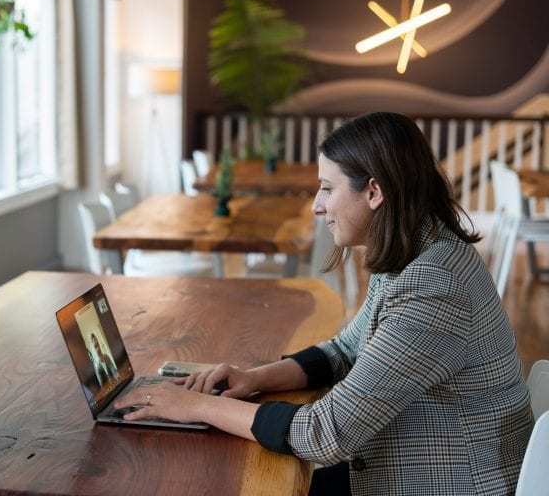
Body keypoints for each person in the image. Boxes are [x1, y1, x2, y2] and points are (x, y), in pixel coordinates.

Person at [114, 112, 534, 495]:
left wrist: (198, 407)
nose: (317, 206)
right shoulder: (414, 249)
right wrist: (252, 378)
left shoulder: (435, 283)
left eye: (328, 189)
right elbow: (344, 350)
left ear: (374, 192)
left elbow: (326, 433)